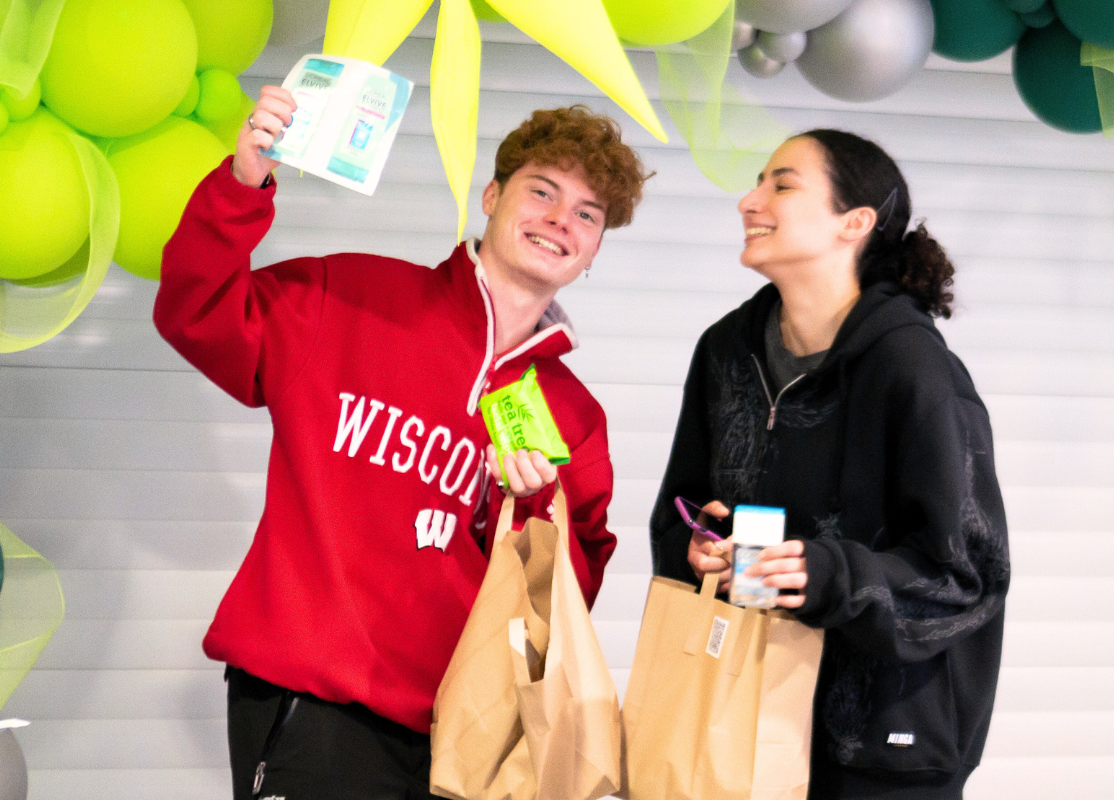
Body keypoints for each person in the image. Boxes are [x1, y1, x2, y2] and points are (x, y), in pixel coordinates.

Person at [154, 87, 651, 799]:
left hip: (469, 737)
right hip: (318, 707)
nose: (558, 221)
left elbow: (565, 598)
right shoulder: (350, 295)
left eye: (586, 214)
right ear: (491, 195)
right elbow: (197, 314)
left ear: (596, 247)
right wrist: (243, 184)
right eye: (542, 191)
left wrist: (531, 506)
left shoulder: (571, 413)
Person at [649, 130, 1010, 800]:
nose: (749, 201)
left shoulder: (915, 369)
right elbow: (681, 509)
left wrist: (828, 571)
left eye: (781, 184)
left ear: (855, 222)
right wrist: (698, 544)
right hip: (740, 727)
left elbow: (969, 574)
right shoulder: (725, 353)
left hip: (880, 754)